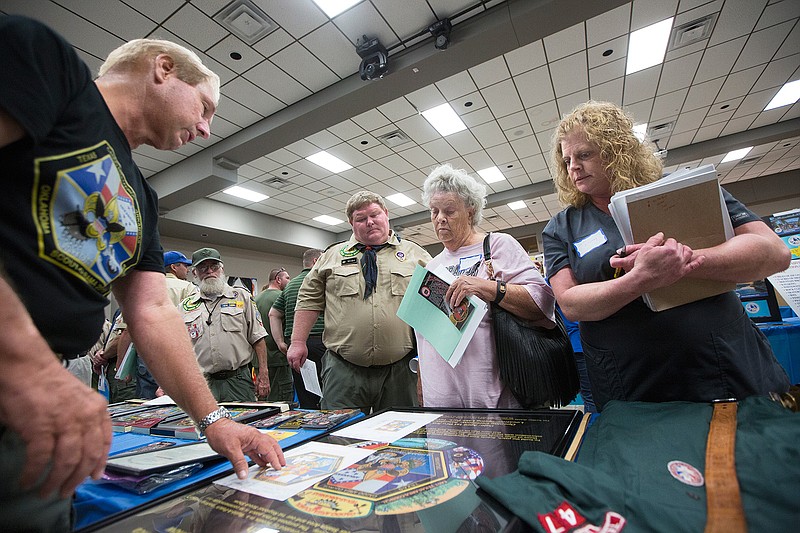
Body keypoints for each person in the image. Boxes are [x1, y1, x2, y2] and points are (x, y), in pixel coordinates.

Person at [0, 17, 283, 530]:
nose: (205, 129)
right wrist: (23, 358)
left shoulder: (142, 197)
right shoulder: (50, 66)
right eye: (205, 108)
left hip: (45, 396)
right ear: (164, 69)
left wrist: (213, 420)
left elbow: (152, 310)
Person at [542, 100, 791, 411]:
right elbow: (570, 302)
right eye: (566, 160)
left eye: (584, 155)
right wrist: (640, 279)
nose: (573, 167)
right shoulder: (562, 227)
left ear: (617, 150)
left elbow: (774, 253)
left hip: (718, 363)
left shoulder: (681, 189)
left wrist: (683, 261)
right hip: (629, 380)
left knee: (742, 452)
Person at [416, 164, 556, 408]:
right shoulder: (433, 265)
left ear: (470, 212)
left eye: (449, 211)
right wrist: (420, 378)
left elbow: (542, 302)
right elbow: (425, 334)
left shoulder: (499, 246)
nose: (440, 219)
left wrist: (488, 288)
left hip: (492, 391)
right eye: (434, 211)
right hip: (441, 396)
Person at [287, 192, 432, 412]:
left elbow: (434, 307)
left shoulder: (416, 255)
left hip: (399, 371)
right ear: (351, 223)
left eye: (374, 214)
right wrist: (298, 342)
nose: (370, 222)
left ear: (386, 214)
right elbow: (309, 298)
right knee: (340, 437)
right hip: (344, 371)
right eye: (361, 218)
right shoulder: (331, 256)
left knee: (401, 439)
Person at [181, 248, 270, 402]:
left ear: (222, 269)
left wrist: (263, 373)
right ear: (194, 273)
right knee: (204, 425)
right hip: (202, 383)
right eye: (203, 268)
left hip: (238, 381)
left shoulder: (241, 297)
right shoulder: (185, 306)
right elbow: (179, 348)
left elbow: (258, 337)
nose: (209, 271)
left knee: (243, 423)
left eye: (214, 267)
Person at [269, 249, 325, 409]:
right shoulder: (322, 279)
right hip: (320, 342)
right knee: (328, 392)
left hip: (295, 346)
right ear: (316, 262)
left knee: (306, 394)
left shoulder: (290, 284)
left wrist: (280, 342)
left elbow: (273, 314)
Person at [254, 267, 293, 402]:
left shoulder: (255, 299)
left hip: (259, 361)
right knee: (282, 402)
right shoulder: (282, 298)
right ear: (278, 279)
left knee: (264, 402)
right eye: (287, 278)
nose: (290, 280)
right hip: (279, 358)